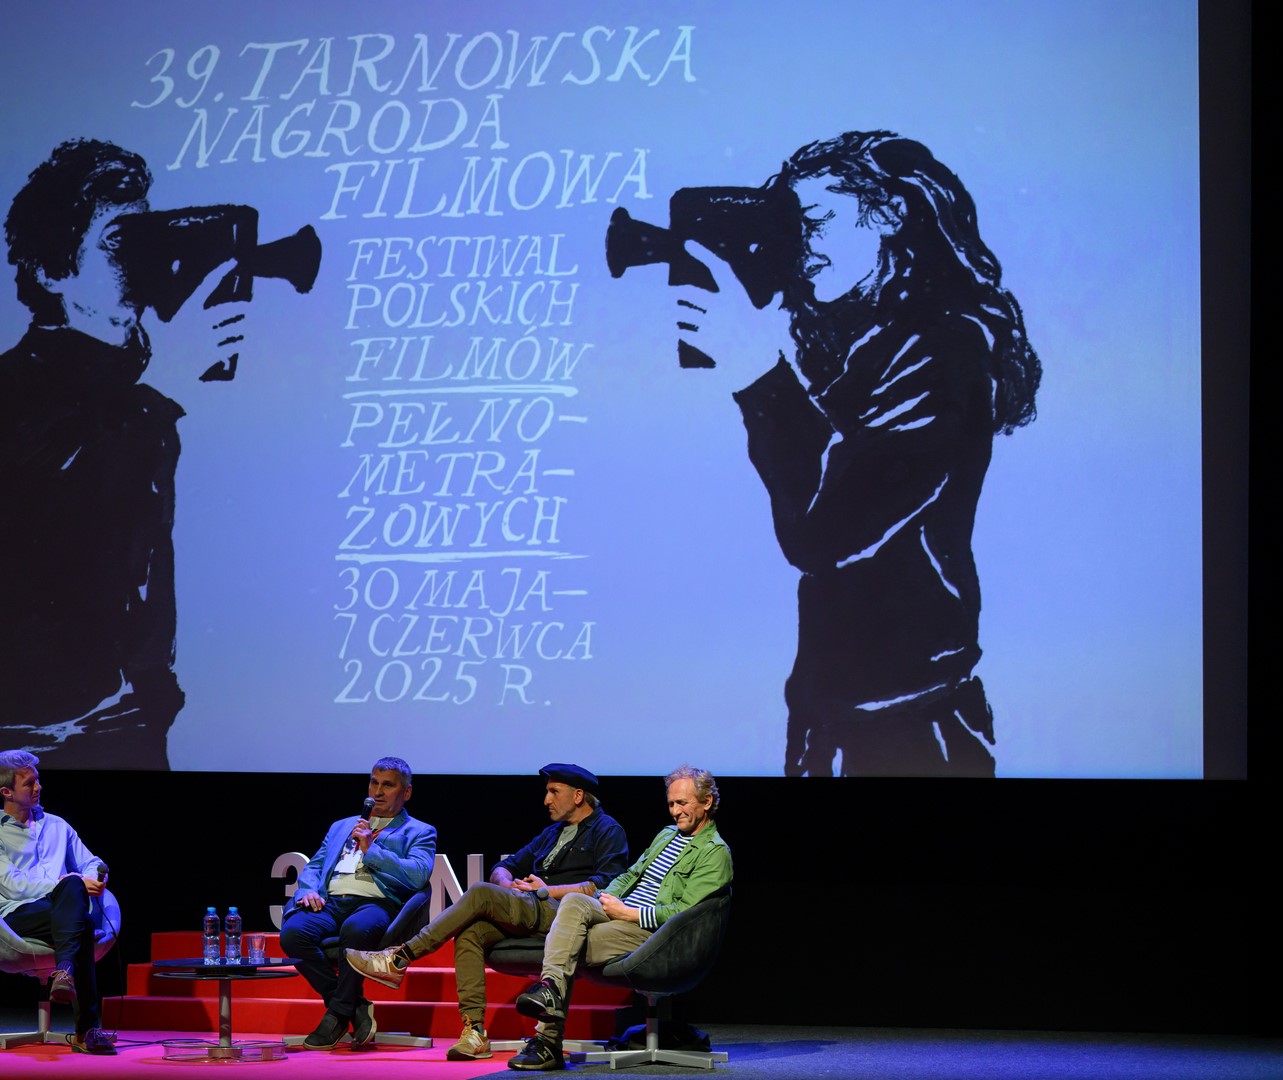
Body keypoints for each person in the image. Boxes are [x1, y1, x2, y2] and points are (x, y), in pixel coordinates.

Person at [670, 131, 1042, 776]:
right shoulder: (861, 345)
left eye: (814, 222)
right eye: (789, 229)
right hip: (839, 710)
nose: (799, 246)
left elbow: (823, 534)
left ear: (890, 212)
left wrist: (761, 377)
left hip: (910, 719)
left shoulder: (942, 353)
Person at [0, 138, 187, 769]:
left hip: (128, 717)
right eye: (117, 241)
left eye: (146, 235)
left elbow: (149, 567)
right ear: (53, 270)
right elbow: (49, 478)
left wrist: (154, 688)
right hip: (18, 732)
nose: (142, 257)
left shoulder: (148, 411)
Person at [345, 764, 630, 1060]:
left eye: (554, 792)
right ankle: (475, 1031)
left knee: (481, 892)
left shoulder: (607, 830)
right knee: (471, 931)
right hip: (530, 908)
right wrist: (507, 886)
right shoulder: (552, 833)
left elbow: (607, 886)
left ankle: (399, 958)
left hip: (567, 915)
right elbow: (504, 867)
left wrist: (547, 890)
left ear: (578, 796)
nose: (546, 800)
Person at [507, 765, 732, 1072]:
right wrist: (603, 900)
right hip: (619, 912)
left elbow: (683, 912)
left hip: (652, 935)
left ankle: (548, 1040)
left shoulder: (715, 853)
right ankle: (551, 990)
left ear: (706, 802)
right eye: (671, 803)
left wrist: (628, 913)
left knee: (570, 942)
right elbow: (630, 875)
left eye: (682, 803)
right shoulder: (666, 835)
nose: (675, 811)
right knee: (574, 901)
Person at [278, 757, 436, 1049]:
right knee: (293, 934)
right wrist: (308, 890)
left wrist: (372, 849)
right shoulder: (342, 826)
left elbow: (417, 875)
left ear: (406, 792)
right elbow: (316, 865)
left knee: (355, 929)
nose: (378, 792)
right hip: (330, 902)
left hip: (375, 903)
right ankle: (353, 1007)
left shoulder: (419, 831)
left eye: (388, 785)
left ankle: (337, 1015)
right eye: (374, 783)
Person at [0, 749, 116, 1055]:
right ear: (7, 792)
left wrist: (94, 877)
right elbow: (13, 887)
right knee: (80, 916)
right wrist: (67, 883)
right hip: (18, 915)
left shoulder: (57, 825)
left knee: (76, 905)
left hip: (62, 910)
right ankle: (87, 1030)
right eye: (29, 783)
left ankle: (64, 972)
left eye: (38, 780)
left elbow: (91, 861)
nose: (39, 787)